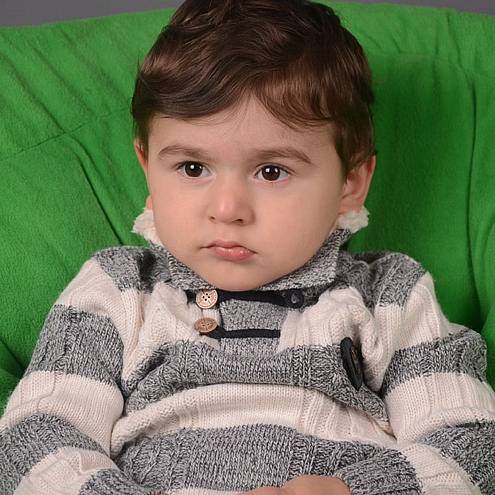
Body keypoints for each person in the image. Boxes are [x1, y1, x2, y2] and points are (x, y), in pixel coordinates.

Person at [1, 0, 494, 493]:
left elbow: (469, 441)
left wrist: (355, 491)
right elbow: (36, 437)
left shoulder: (389, 294)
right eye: (193, 168)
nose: (228, 209)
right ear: (148, 168)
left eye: (272, 172)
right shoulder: (119, 289)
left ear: (350, 183)